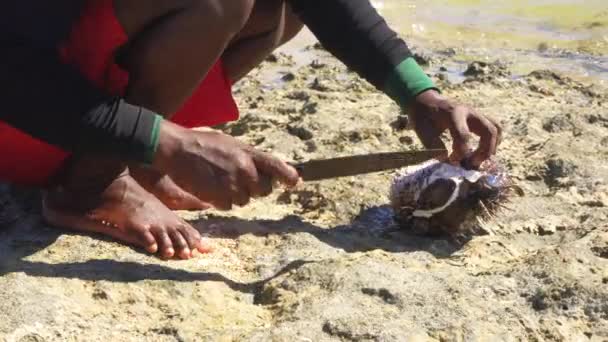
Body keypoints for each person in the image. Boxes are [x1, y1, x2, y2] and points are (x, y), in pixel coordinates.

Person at [0, 0, 501, 260]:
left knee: (272, 10)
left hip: (70, 95)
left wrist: (418, 94)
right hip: (23, 119)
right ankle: (88, 186)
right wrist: (169, 141)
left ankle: (126, 158)